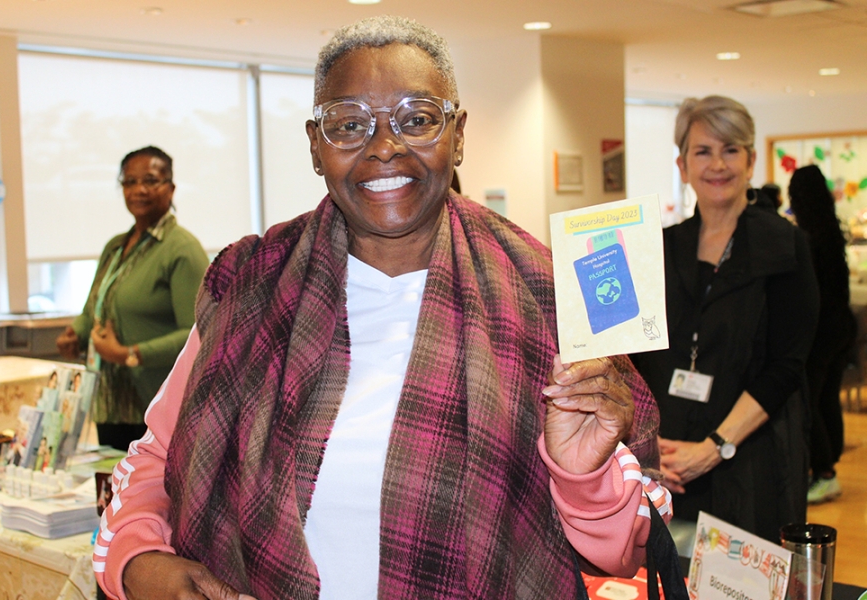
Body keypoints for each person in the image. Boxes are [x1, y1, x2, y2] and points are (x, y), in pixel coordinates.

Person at [93, 16, 673, 600]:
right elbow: (156, 457)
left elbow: (632, 548)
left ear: (458, 133)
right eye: (348, 124)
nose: (385, 147)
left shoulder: (546, 292)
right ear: (316, 146)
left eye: (417, 120)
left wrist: (583, 474)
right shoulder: (250, 284)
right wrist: (138, 560)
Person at [631, 95, 818, 543]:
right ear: (682, 166)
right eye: (703, 151)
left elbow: (785, 369)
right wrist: (648, 449)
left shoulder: (785, 247)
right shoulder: (658, 248)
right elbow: (633, 359)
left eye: (731, 149)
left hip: (750, 466)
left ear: (751, 161)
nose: (718, 164)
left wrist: (714, 449)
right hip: (665, 466)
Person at [55, 146, 209, 452]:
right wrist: (76, 333)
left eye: (151, 181)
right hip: (112, 402)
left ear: (171, 188)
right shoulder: (115, 246)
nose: (139, 190)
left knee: (149, 498)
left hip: (157, 404)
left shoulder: (182, 249)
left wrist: (129, 353)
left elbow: (198, 333)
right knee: (112, 494)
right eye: (129, 182)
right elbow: (94, 309)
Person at [788, 164, 857, 503]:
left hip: (821, 333)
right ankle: (829, 469)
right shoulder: (830, 231)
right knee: (827, 398)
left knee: (809, 402)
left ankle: (824, 471)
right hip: (841, 327)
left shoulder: (807, 239)